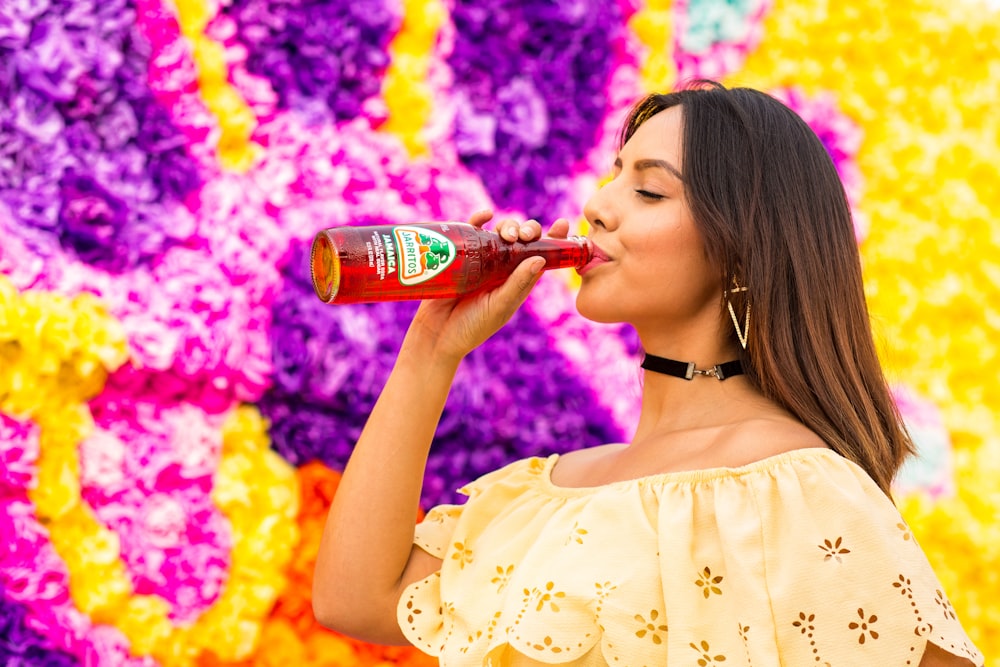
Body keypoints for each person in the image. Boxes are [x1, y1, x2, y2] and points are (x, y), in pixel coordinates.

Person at [312, 81, 984, 666]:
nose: (598, 206)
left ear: (740, 246)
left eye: (649, 189)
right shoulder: (543, 501)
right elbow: (356, 599)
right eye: (612, 176)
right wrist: (433, 346)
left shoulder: (801, 490)